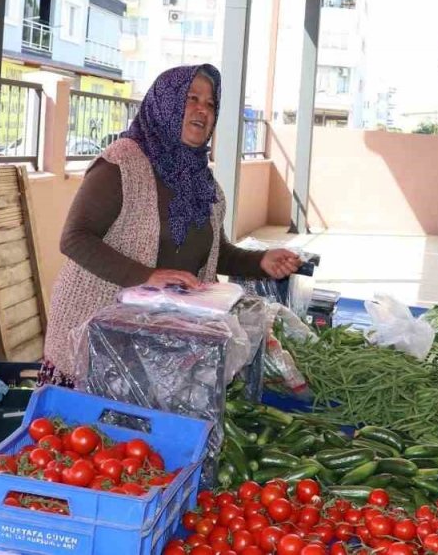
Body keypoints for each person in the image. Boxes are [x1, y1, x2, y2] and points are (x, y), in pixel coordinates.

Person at [40, 64, 301, 385]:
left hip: (156, 342)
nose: (202, 110)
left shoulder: (205, 184)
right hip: (93, 329)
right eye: (191, 98)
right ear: (167, 103)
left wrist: (260, 261)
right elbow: (75, 239)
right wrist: (146, 277)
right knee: (86, 430)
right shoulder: (123, 162)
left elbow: (213, 253)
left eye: (210, 104)